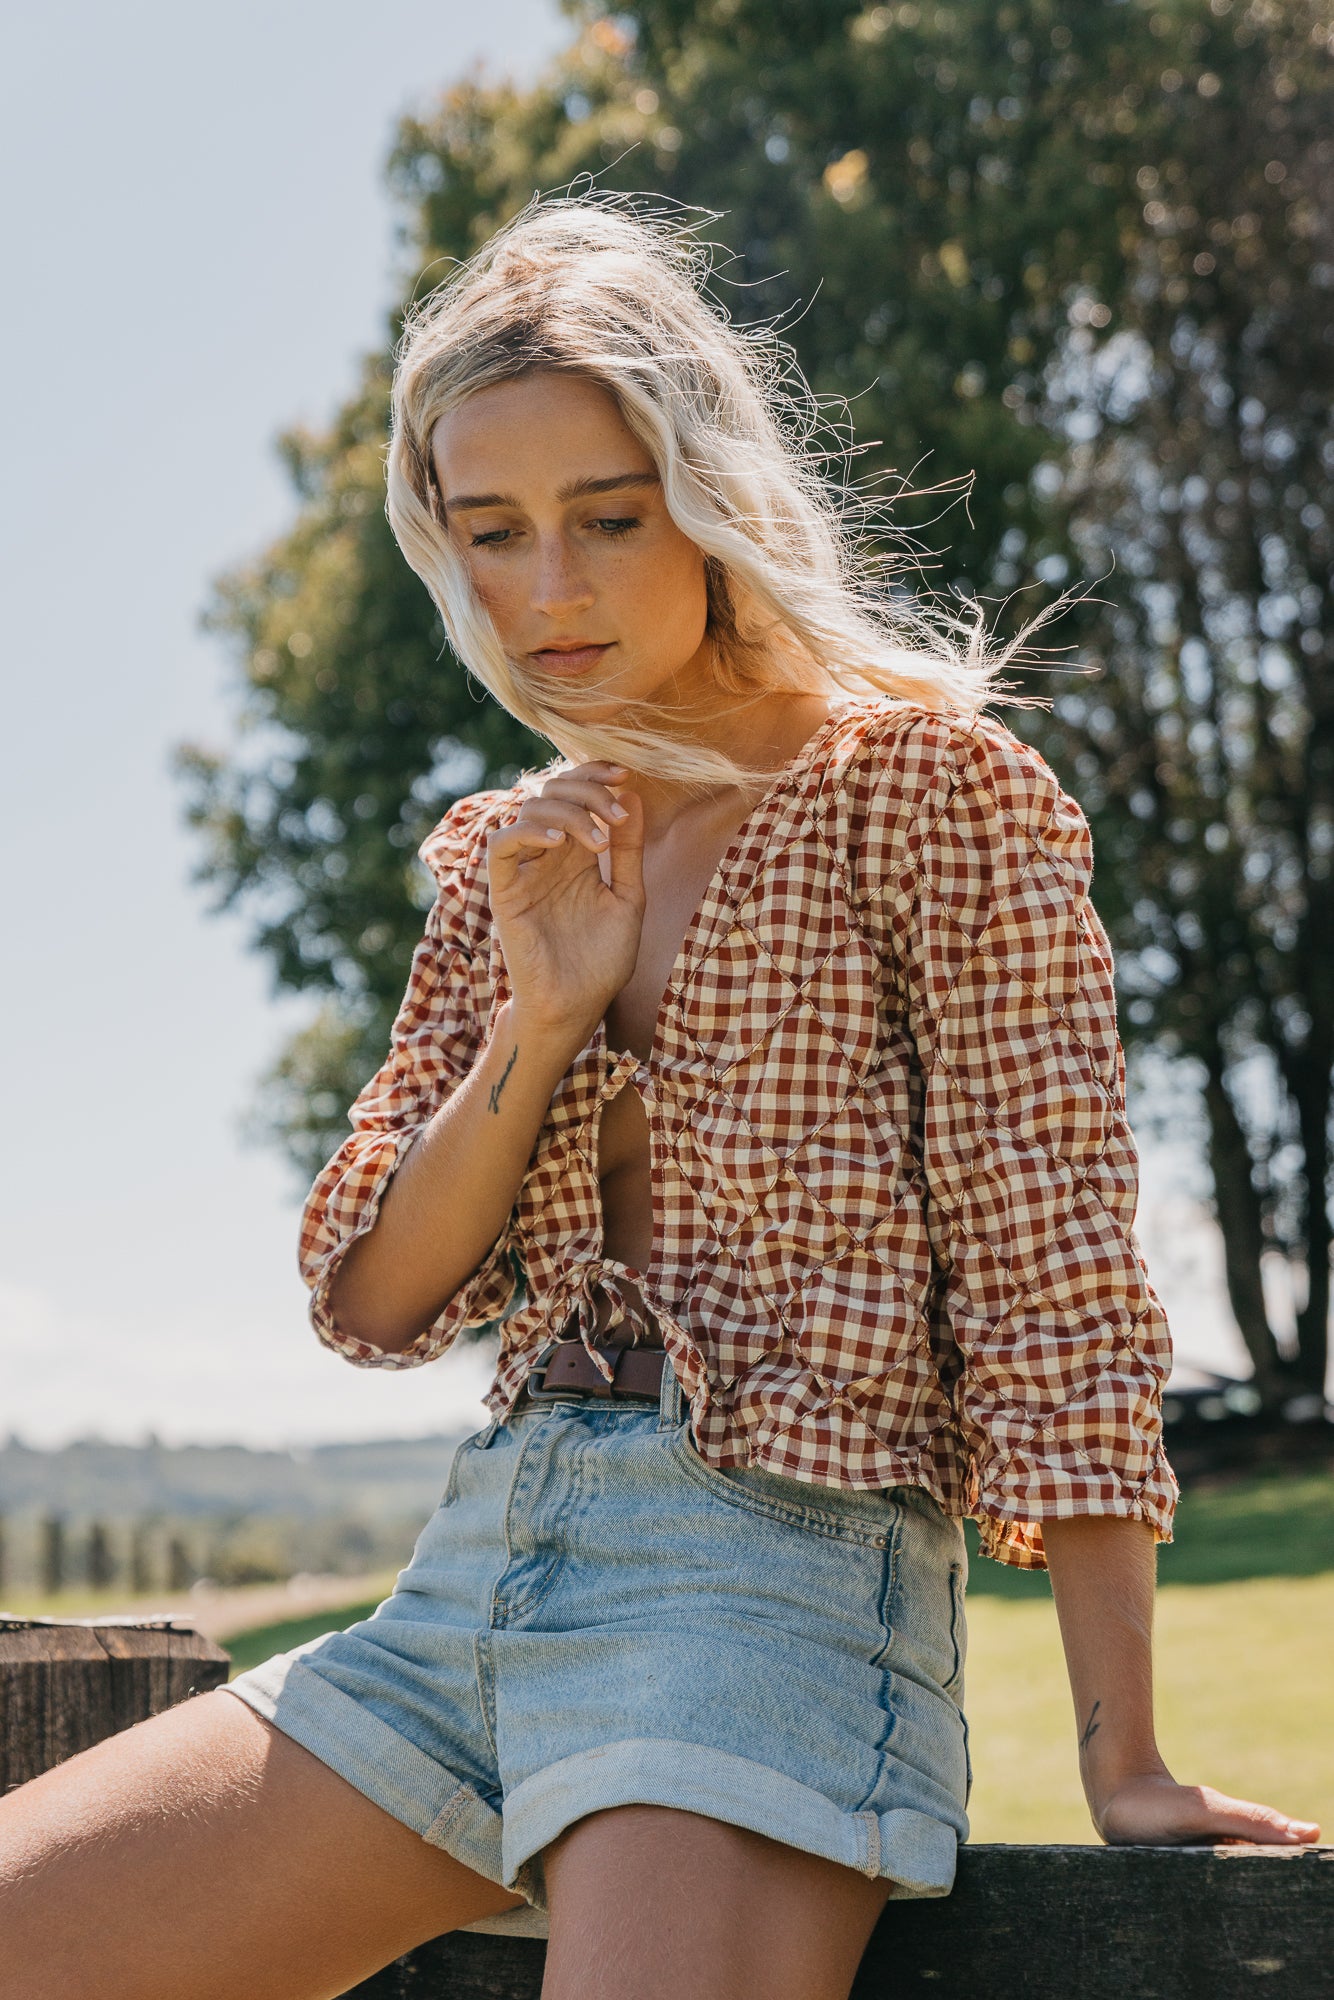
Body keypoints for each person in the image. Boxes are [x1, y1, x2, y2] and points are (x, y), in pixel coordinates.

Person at [0, 195, 1318, 2000]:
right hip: (471, 1581)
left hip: (770, 1590)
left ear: (708, 498)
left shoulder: (931, 795)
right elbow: (375, 1299)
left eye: (607, 520)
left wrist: (1123, 1753)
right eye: (494, 534)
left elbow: (1054, 1276)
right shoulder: (502, 851)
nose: (547, 592)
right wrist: (536, 1024)